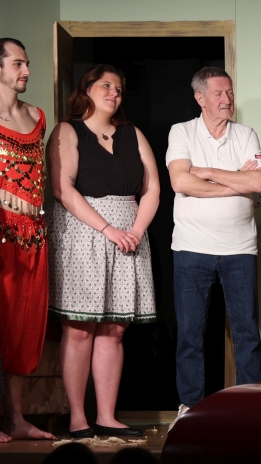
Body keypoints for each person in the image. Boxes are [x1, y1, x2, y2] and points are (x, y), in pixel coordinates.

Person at [47, 64, 159, 438]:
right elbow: (63, 189)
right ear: (87, 90)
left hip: (130, 233)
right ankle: (78, 418)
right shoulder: (68, 130)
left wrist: (136, 230)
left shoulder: (132, 133)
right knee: (80, 328)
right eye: (106, 85)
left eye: (119, 88)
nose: (114, 93)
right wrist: (107, 228)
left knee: (114, 328)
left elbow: (153, 188)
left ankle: (107, 416)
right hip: (85, 233)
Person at [166, 67, 261, 428]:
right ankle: (190, 406)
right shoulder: (182, 131)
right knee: (190, 333)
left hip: (240, 249)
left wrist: (206, 172)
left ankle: (249, 408)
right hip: (191, 248)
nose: (227, 99)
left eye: (230, 92)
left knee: (246, 332)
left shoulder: (245, 134)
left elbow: (258, 182)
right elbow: (180, 181)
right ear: (201, 98)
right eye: (219, 93)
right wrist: (236, 183)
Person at [0, 37, 54, 442]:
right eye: (18, 64)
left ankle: (16, 419)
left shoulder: (37, 116)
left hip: (33, 235)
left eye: (27, 63)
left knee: (23, 327)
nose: (27, 71)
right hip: (1, 231)